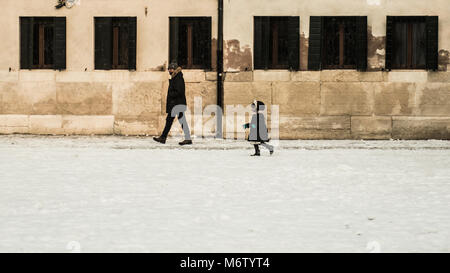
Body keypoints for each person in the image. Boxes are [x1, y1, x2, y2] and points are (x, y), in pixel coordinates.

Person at [153, 62, 192, 145]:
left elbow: (179, 91)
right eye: (169, 69)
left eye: (171, 69)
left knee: (177, 121)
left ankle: (164, 138)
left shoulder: (178, 78)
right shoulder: (176, 77)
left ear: (174, 69)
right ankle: (163, 138)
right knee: (171, 120)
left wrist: (171, 94)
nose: (170, 70)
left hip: (177, 104)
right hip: (176, 104)